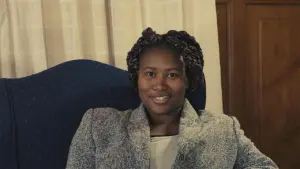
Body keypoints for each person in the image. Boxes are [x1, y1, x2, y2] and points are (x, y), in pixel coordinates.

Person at [66, 28, 278, 169]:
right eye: (150, 74)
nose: (159, 85)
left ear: (188, 80)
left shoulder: (222, 128)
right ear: (136, 78)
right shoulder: (99, 124)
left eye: (172, 75)